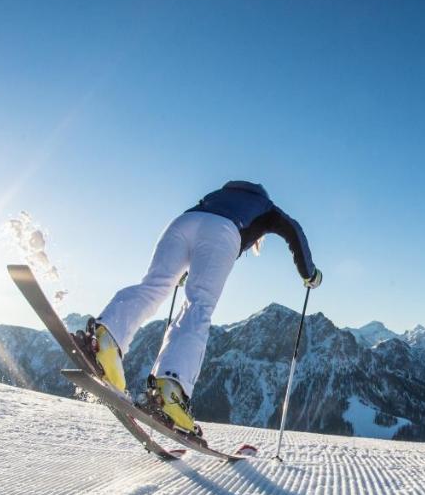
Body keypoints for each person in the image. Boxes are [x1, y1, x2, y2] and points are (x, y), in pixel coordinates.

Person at [76, 181, 321, 434]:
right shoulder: (267, 207)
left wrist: (184, 268)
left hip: (182, 223)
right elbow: (295, 232)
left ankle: (105, 339)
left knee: (154, 285)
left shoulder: (216, 196)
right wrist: (310, 273)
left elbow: (200, 231)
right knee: (199, 306)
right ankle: (170, 392)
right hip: (223, 231)